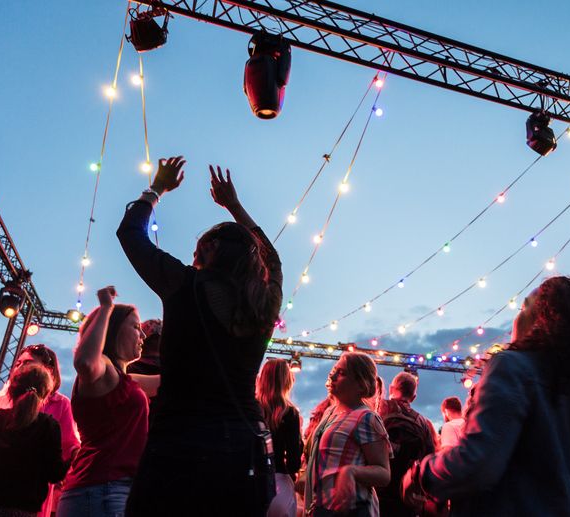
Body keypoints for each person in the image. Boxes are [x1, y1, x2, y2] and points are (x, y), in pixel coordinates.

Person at [117, 157, 283, 516]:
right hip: (244, 447)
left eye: (198, 249)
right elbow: (274, 259)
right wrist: (235, 206)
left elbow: (130, 233)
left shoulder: (182, 283)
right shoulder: (265, 302)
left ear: (210, 250)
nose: (193, 257)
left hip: (180, 443)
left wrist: (156, 189)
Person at [402, 276, 570, 516]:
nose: (516, 318)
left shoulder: (513, 367)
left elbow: (478, 462)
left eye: (522, 307)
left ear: (542, 320)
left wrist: (420, 474)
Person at [57, 286, 152, 517]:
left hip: (109, 491)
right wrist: (106, 308)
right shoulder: (104, 369)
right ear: (113, 328)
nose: (144, 335)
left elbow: (171, 382)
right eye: (136, 327)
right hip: (100, 492)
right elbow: (86, 362)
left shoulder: (123, 380)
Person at [0, 344, 80, 516]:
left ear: (48, 369)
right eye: (18, 363)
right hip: (22, 506)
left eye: (27, 362)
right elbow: (55, 471)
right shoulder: (46, 424)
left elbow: (69, 445)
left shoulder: (60, 405)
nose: (20, 367)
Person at [304, 352, 391, 516]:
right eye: (334, 370)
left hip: (351, 510)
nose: (333, 375)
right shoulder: (330, 412)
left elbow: (384, 474)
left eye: (342, 373)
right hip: (322, 509)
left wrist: (351, 472)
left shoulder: (367, 418)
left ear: (360, 384)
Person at [377, 372, 436, 517]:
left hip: (377, 491)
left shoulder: (379, 409)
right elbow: (429, 459)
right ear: (413, 397)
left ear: (391, 389)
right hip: (405, 498)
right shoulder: (424, 423)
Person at [257, 359, 303, 517]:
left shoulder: (250, 409)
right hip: (278, 482)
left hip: (250, 480)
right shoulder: (290, 413)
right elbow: (293, 463)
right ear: (286, 380)